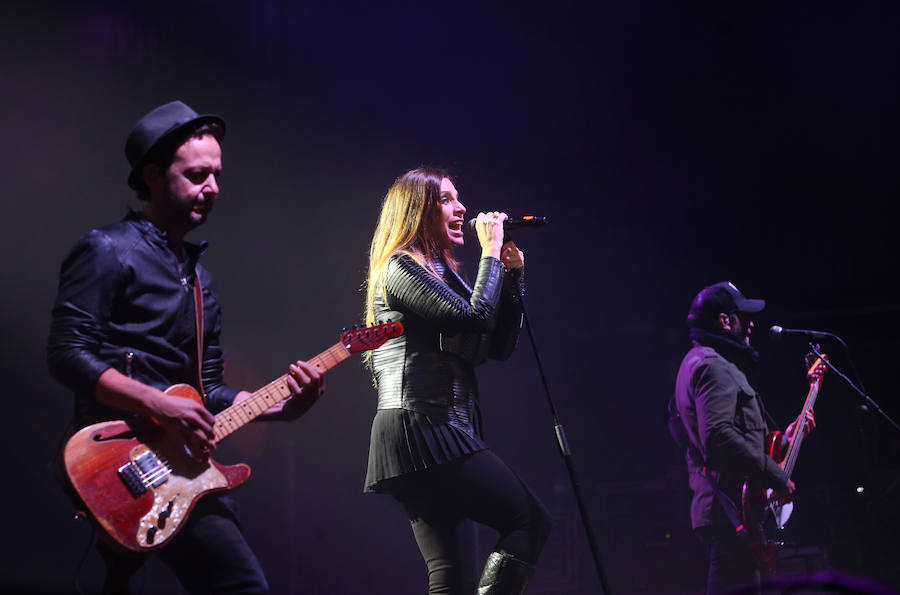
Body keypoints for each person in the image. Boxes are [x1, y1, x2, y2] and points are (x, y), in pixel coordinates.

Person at [47, 100, 325, 594]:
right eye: (198, 175)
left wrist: (282, 407)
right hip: (117, 462)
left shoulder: (201, 283)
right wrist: (160, 404)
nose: (213, 188)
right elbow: (66, 353)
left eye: (216, 175)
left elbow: (207, 390)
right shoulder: (106, 249)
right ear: (153, 174)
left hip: (178, 470)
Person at [362, 168, 552, 594]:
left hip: (429, 430)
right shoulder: (399, 267)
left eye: (457, 198)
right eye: (447, 199)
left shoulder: (440, 275)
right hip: (423, 425)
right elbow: (475, 316)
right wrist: (490, 252)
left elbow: (495, 346)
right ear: (417, 210)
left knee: (452, 573)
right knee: (530, 520)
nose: (462, 208)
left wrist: (513, 278)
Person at [673, 281, 815, 594]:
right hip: (732, 513)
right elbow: (719, 438)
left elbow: (724, 435)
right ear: (725, 321)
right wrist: (775, 474)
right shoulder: (713, 367)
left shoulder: (700, 363)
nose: (751, 323)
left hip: (731, 510)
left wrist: (785, 439)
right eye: (743, 316)